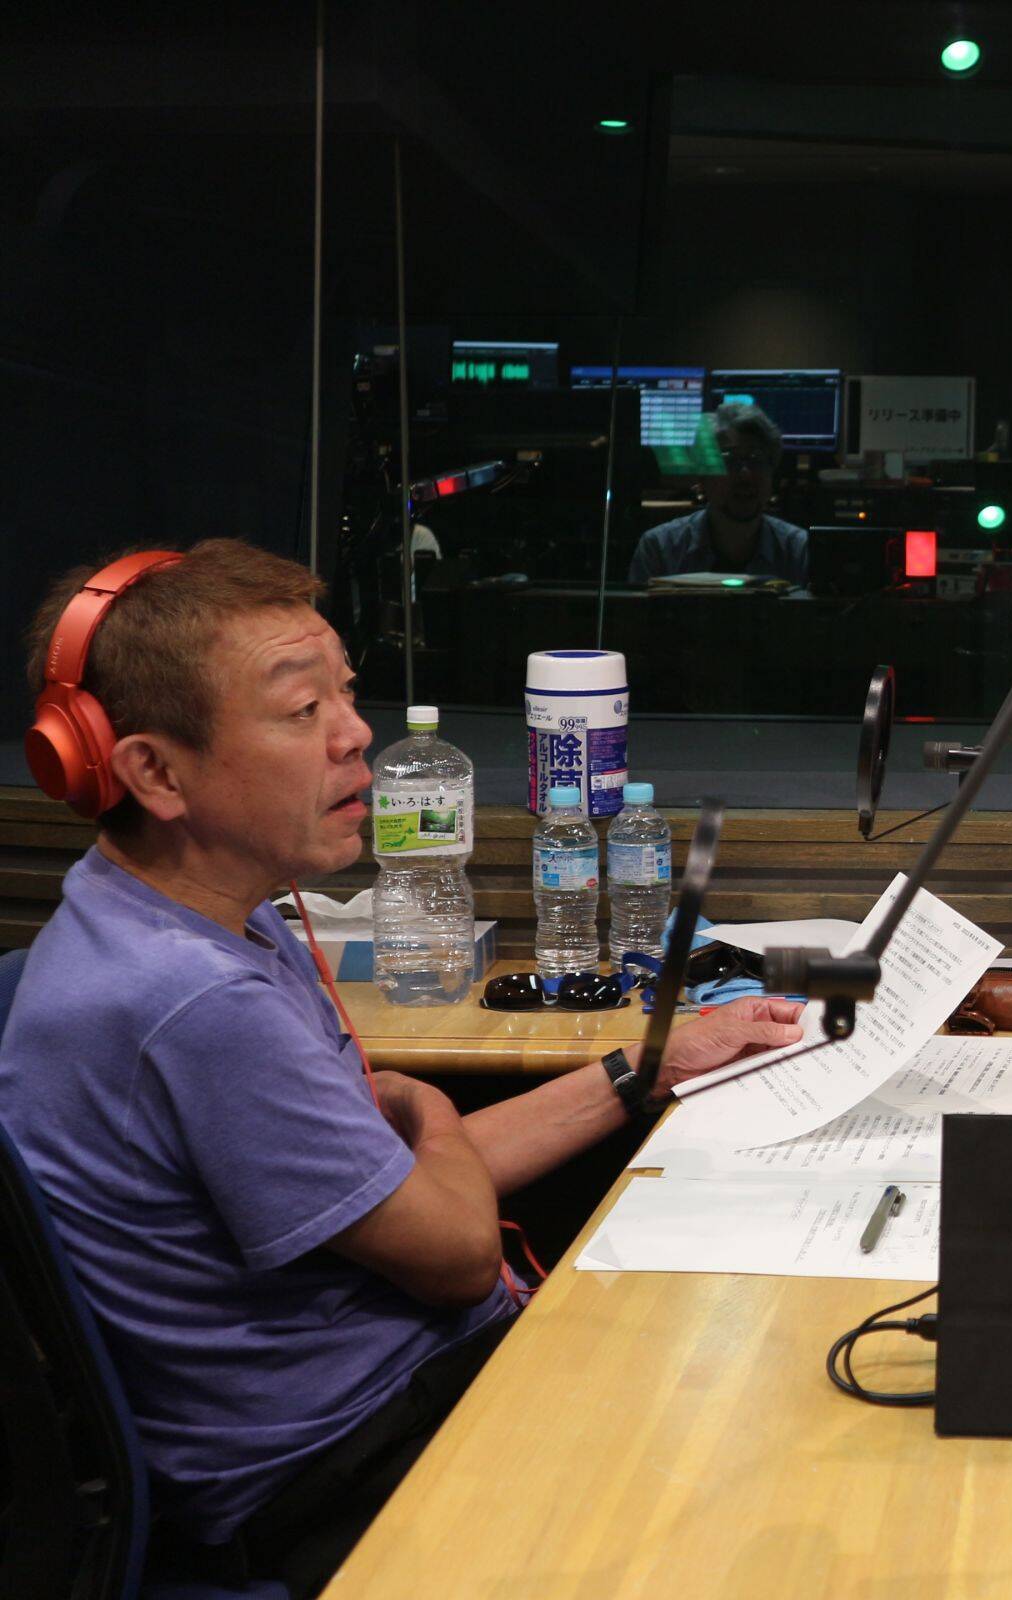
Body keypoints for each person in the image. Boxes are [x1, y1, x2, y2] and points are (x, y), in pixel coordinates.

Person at [0, 540, 811, 1595]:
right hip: (349, 1474)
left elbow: (403, 1186)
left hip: (398, 1405)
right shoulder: (194, 998)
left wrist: (654, 1064)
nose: (355, 735)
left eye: (346, 693)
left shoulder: (183, 918)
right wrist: (423, 1100)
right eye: (303, 710)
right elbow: (458, 1249)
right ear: (152, 771)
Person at [626, 402, 810, 585]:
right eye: (729, 460)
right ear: (702, 477)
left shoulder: (799, 550)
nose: (745, 474)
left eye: (757, 459)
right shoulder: (659, 550)